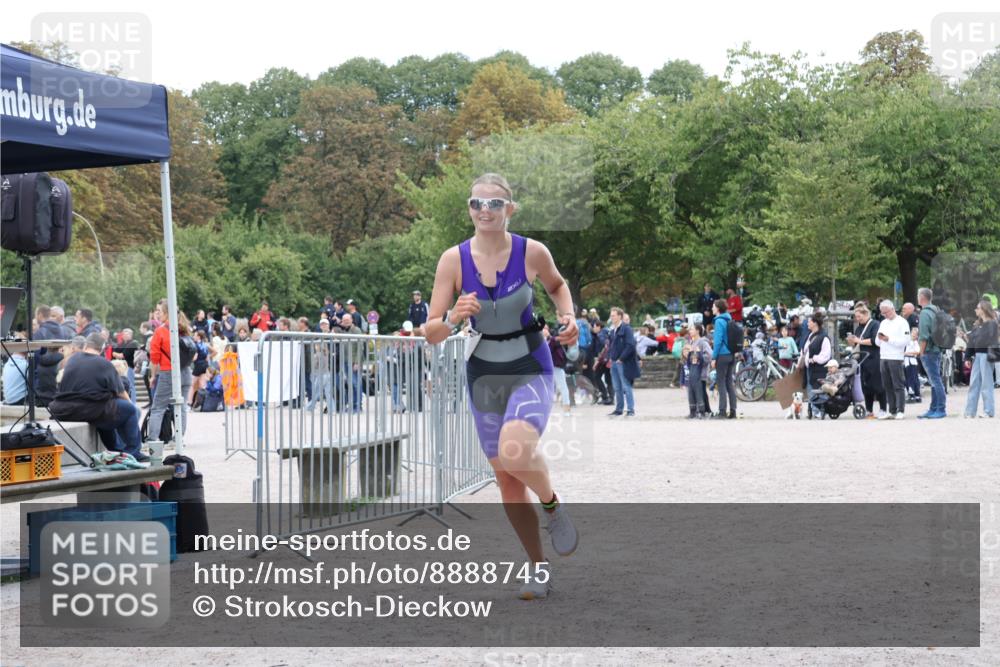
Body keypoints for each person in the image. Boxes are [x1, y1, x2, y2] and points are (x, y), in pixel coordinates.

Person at [423, 172, 579, 601]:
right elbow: (431, 332)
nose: (485, 211)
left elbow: (558, 286)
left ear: (510, 209)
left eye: (494, 204)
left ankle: (552, 505)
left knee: (515, 448)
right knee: (507, 481)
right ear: (469, 210)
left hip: (529, 363)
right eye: (477, 204)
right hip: (483, 372)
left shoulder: (532, 252)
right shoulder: (452, 260)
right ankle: (538, 567)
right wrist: (454, 316)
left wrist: (569, 318)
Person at [47, 333, 147, 461]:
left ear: (86, 345)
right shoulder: (104, 363)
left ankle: (115, 449)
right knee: (129, 410)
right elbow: (120, 392)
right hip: (90, 408)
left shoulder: (72, 360)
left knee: (108, 413)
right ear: (102, 348)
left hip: (65, 408)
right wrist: (130, 406)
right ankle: (133, 452)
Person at [147, 300, 195, 440]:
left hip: (168, 373)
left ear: (167, 313)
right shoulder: (185, 329)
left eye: (159, 311)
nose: (157, 314)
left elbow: (154, 358)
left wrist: (153, 376)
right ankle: (179, 439)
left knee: (158, 408)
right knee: (181, 406)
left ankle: (153, 440)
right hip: (186, 372)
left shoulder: (160, 331)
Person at [847, 304, 887, 418]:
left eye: (859, 316)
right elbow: (857, 342)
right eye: (856, 317)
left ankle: (883, 408)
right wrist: (852, 341)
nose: (857, 319)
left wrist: (859, 340)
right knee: (866, 385)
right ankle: (869, 410)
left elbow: (875, 340)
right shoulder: (859, 327)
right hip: (863, 358)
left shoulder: (875, 324)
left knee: (878, 384)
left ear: (866, 314)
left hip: (874, 357)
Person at [961, 299, 998, 418]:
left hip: (987, 355)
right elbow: (971, 342)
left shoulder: (992, 324)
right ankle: (970, 411)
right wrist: (967, 356)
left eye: (977, 308)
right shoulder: (977, 325)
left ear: (983, 309)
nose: (975, 310)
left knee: (986, 384)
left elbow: (991, 340)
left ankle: (988, 411)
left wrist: (975, 339)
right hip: (977, 356)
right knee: (974, 383)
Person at [875, 300, 910, 419]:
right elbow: (877, 341)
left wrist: (888, 339)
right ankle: (892, 409)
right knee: (887, 385)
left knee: (898, 384)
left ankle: (900, 410)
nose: (884, 315)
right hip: (883, 356)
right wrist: (881, 339)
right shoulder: (883, 323)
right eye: (882, 313)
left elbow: (905, 341)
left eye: (886, 312)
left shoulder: (902, 322)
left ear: (892, 309)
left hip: (896, 357)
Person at [916, 287, 947, 419]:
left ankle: (940, 408)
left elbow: (924, 336)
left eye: (918, 295)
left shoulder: (924, 313)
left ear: (922, 297)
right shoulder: (936, 311)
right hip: (938, 349)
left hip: (929, 350)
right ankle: (934, 408)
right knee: (935, 380)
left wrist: (921, 352)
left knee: (935, 381)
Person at [798, 313, 832, 418]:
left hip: (819, 368)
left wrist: (815, 359)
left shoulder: (824, 337)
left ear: (815, 323)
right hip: (809, 367)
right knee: (810, 389)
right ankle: (814, 409)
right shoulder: (810, 335)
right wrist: (801, 361)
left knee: (818, 389)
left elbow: (826, 354)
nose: (807, 323)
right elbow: (804, 350)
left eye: (809, 321)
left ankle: (820, 409)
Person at [608, 306, 639, 417]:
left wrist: (621, 358)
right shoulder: (612, 330)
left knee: (626, 386)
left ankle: (631, 409)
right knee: (617, 387)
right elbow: (611, 346)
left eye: (613, 315)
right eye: (611, 315)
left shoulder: (626, 329)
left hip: (622, 362)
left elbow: (630, 345)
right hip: (614, 362)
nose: (611, 317)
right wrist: (610, 358)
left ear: (619, 316)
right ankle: (619, 409)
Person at [710, 299, 737, 419]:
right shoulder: (729, 319)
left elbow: (718, 341)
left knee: (721, 383)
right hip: (731, 354)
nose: (712, 308)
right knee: (729, 383)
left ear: (718, 309)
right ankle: (733, 411)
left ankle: (722, 411)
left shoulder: (719, 321)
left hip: (722, 354)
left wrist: (714, 357)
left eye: (713, 306)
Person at [684, 323, 712, 418]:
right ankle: (694, 411)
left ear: (697, 331)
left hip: (701, 372)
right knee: (692, 392)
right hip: (692, 372)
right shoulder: (691, 342)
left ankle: (704, 411)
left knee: (701, 393)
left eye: (692, 329)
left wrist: (698, 357)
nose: (689, 331)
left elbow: (709, 355)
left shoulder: (703, 342)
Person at [544, 325, 571, 413]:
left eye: (545, 329)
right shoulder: (539, 342)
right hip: (546, 368)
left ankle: (567, 408)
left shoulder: (553, 340)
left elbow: (550, 350)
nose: (543, 330)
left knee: (563, 386)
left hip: (556, 366)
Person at [903, 328, 922, 403]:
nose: (914, 335)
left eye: (915, 334)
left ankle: (914, 394)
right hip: (906, 361)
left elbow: (917, 352)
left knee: (913, 378)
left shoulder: (915, 343)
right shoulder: (907, 341)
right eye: (913, 333)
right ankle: (912, 394)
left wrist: (906, 353)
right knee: (908, 378)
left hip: (912, 361)